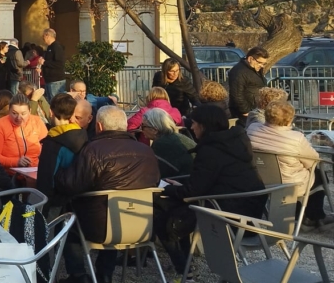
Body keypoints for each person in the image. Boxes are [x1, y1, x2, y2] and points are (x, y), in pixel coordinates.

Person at [155, 104, 265, 275]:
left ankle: (184, 270)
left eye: (194, 123)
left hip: (227, 217)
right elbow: (215, 180)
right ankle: (184, 267)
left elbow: (194, 192)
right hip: (253, 211)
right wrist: (183, 188)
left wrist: (167, 189)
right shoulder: (237, 141)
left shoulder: (210, 150)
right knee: (177, 209)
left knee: (164, 216)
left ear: (203, 126)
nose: (191, 127)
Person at [56, 106, 160, 283]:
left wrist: (58, 173)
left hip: (101, 227)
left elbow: (72, 185)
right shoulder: (147, 151)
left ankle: (78, 275)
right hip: (141, 225)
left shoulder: (93, 150)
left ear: (99, 126)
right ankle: (105, 274)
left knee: (67, 221)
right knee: (112, 210)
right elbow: (155, 182)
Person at [248, 101, 331, 227]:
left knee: (307, 174)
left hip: (260, 180)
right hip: (289, 183)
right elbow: (313, 160)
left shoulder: (252, 129)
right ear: (290, 118)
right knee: (319, 175)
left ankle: (299, 215)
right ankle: (314, 217)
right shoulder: (296, 138)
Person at [36, 94, 87, 206]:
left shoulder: (52, 142)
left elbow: (46, 180)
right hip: (79, 200)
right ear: (73, 114)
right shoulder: (84, 136)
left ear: (51, 112)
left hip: (57, 202)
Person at [0, 92, 48, 167]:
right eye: (14, 113)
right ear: (9, 111)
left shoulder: (37, 121)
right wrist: (16, 162)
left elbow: (47, 149)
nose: (19, 118)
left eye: (23, 114)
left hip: (35, 171)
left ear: (30, 111)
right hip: (9, 173)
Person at [140, 108, 195, 176]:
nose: (141, 130)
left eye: (143, 126)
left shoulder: (161, 143)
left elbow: (158, 173)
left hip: (184, 181)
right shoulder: (179, 136)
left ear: (154, 130)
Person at [228, 46, 269, 126]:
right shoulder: (239, 72)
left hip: (254, 109)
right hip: (245, 113)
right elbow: (236, 94)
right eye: (260, 62)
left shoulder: (254, 70)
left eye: (264, 63)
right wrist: (245, 111)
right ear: (250, 59)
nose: (262, 66)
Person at [41, 28, 68, 97]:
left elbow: (59, 63)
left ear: (47, 35)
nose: (42, 38)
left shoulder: (56, 47)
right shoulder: (49, 48)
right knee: (51, 102)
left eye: (43, 36)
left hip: (56, 81)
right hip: (49, 80)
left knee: (56, 102)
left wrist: (44, 62)